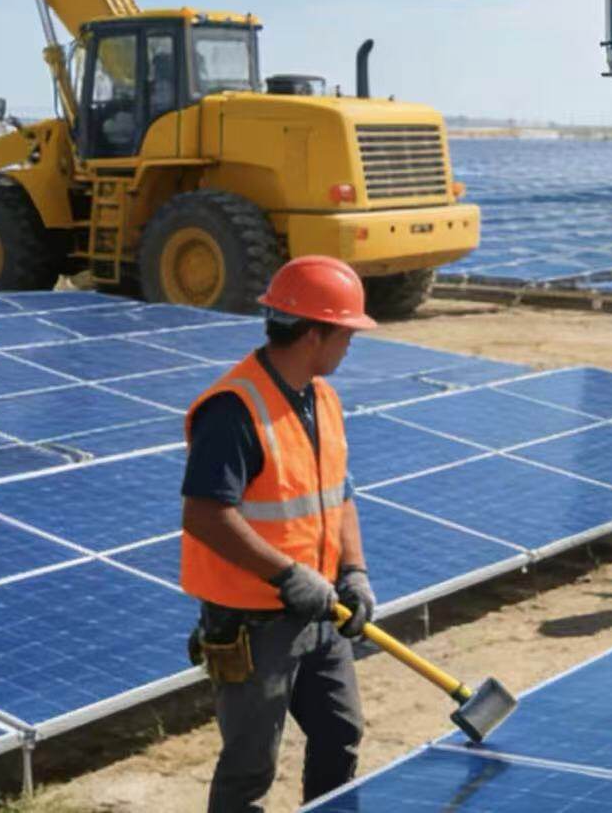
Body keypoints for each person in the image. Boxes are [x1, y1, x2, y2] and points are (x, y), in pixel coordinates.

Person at [180, 255, 380, 813]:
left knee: (341, 732)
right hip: (252, 622)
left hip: (321, 608)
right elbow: (204, 514)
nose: (350, 346)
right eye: (346, 334)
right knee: (251, 766)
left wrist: (354, 570)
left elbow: (339, 492)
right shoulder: (235, 409)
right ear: (315, 333)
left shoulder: (323, 398)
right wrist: (288, 574)